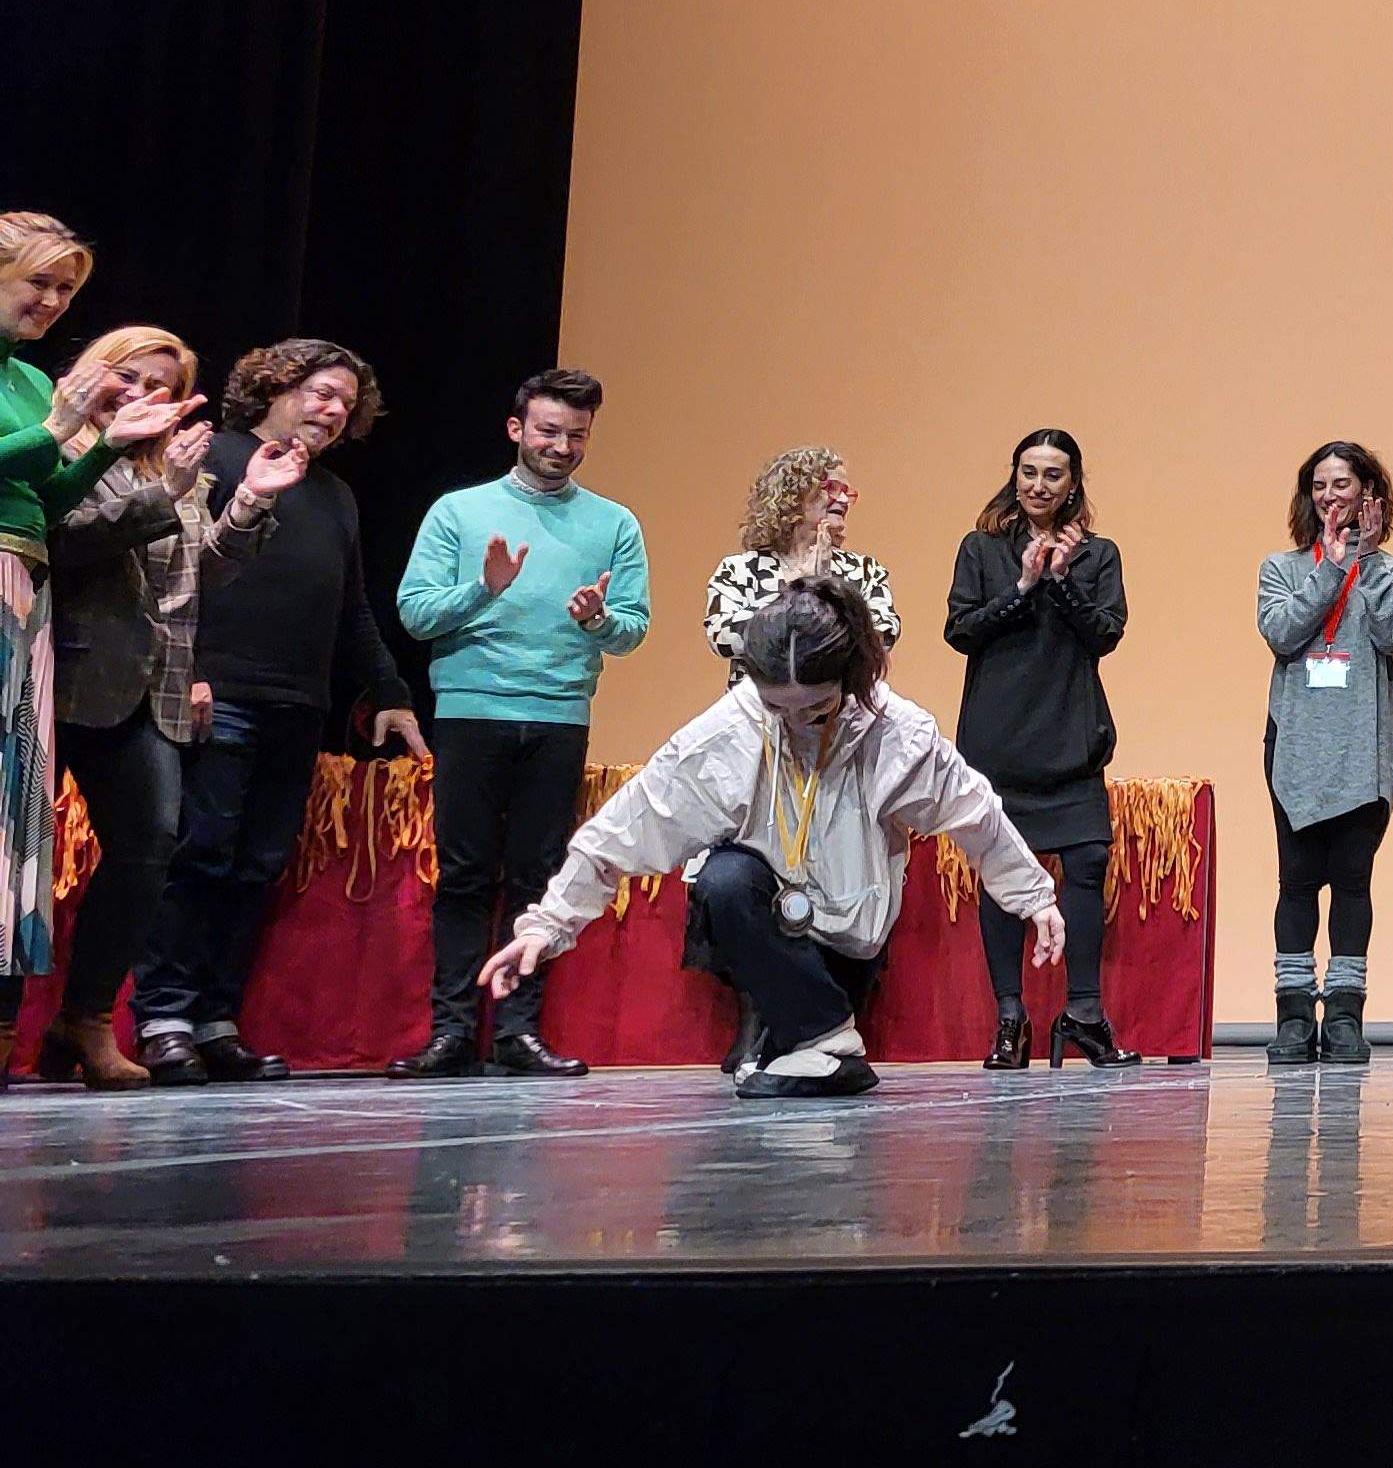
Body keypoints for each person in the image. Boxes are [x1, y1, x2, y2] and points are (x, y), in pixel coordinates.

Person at [477, 577, 1064, 1099]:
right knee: (722, 879)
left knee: (779, 1070)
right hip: (762, 933)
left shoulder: (898, 736)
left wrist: (1035, 898)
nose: (791, 720)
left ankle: (817, 1038)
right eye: (774, 706)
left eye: (814, 709)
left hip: (847, 941)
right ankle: (825, 1040)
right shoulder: (729, 732)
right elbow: (627, 827)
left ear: (852, 679)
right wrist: (548, 925)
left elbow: (976, 815)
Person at [133, 338, 425, 1086]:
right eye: (321, 392)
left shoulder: (335, 496)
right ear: (275, 386)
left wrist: (389, 694)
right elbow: (170, 572)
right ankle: (164, 1015)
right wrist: (186, 670)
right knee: (201, 855)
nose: (334, 410)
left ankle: (215, 1018)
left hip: (300, 703)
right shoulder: (216, 455)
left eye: (346, 403)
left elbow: (352, 609)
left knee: (256, 866)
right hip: (216, 693)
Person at [38, 328, 295, 1088]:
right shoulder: (56, 445)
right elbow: (64, 542)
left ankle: (83, 1019)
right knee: (15, 858)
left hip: (155, 686)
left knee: (150, 848)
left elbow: (198, 578)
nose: (145, 393)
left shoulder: (172, 464)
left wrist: (246, 504)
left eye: (164, 383)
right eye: (131, 376)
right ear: (96, 371)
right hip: (65, 674)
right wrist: (165, 494)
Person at [387, 367, 650, 1080]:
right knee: (467, 876)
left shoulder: (614, 523)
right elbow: (415, 613)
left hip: (560, 716)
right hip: (472, 713)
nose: (561, 446)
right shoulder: (458, 512)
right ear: (516, 430)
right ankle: (451, 1031)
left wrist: (598, 618)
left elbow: (632, 631)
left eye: (576, 436)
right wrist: (484, 589)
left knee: (540, 878)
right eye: (548, 431)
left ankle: (517, 1031)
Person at [0, 221, 209, 1047]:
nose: (50, 303)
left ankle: (39, 1025)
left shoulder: (23, 379)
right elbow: (69, 511)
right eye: (37, 283)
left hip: (24, 593)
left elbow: (46, 511)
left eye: (65, 291)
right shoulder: (51, 404)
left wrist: (101, 453)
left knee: (18, 826)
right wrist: (69, 435)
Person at [941, 428, 1133, 1069]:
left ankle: (1083, 1014)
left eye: (1053, 475)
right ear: (1014, 475)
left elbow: (1106, 635)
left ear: (1073, 483)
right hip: (999, 741)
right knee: (1003, 877)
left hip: (1071, 736)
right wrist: (1022, 587)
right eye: (1028, 472)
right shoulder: (982, 548)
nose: (1038, 486)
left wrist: (1062, 582)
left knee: (1086, 863)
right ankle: (1010, 1019)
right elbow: (961, 631)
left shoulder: (1098, 554)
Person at [1254, 440, 1393, 1066]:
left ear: (1369, 494)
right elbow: (1282, 632)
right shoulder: (1282, 567)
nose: (1330, 496)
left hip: (1362, 749)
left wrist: (1366, 562)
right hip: (1296, 745)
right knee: (1296, 883)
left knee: (1353, 882)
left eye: (1343, 484)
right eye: (1320, 485)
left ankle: (1345, 1015)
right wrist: (1329, 565)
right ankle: (1294, 1017)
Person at [704, 446, 896, 675]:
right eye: (833, 488)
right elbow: (722, 638)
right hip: (757, 710)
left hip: (844, 708)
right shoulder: (739, 570)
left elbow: (881, 637)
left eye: (848, 492)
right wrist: (795, 589)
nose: (844, 500)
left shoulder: (865, 571)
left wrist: (822, 591)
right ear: (793, 495)